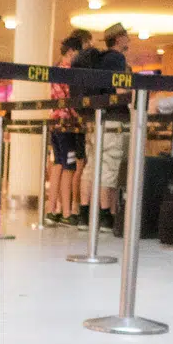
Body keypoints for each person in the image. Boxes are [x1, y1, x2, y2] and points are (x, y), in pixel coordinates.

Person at [76, 23, 133, 233]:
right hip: (112, 118)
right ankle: (105, 215)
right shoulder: (117, 59)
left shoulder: (99, 59)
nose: (129, 38)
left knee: (92, 166)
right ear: (119, 39)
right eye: (126, 35)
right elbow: (120, 88)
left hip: (93, 118)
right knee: (109, 166)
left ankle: (84, 214)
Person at [47, 34, 86, 226]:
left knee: (58, 165)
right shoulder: (68, 72)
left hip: (55, 123)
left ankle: (52, 208)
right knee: (69, 167)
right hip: (67, 124)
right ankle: (67, 211)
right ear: (71, 53)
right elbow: (70, 100)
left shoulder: (55, 69)